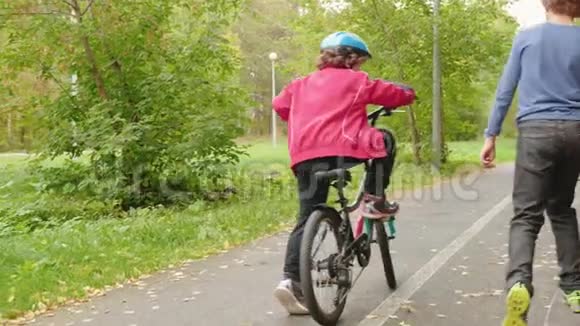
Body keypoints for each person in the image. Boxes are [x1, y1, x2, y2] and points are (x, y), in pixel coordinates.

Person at [271, 31, 416, 315]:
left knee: (305, 216)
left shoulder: (299, 85)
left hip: (305, 157)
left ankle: (291, 282)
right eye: (359, 61)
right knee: (384, 138)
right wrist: (408, 92)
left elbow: (279, 105)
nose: (360, 67)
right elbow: (393, 95)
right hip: (343, 150)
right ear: (349, 59)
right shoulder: (356, 81)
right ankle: (374, 198)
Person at [481, 1, 580, 324]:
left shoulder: (527, 37)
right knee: (562, 209)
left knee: (526, 215)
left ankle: (519, 282)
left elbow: (506, 89)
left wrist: (491, 134)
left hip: (536, 130)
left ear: (545, 3)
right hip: (576, 131)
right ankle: (574, 286)